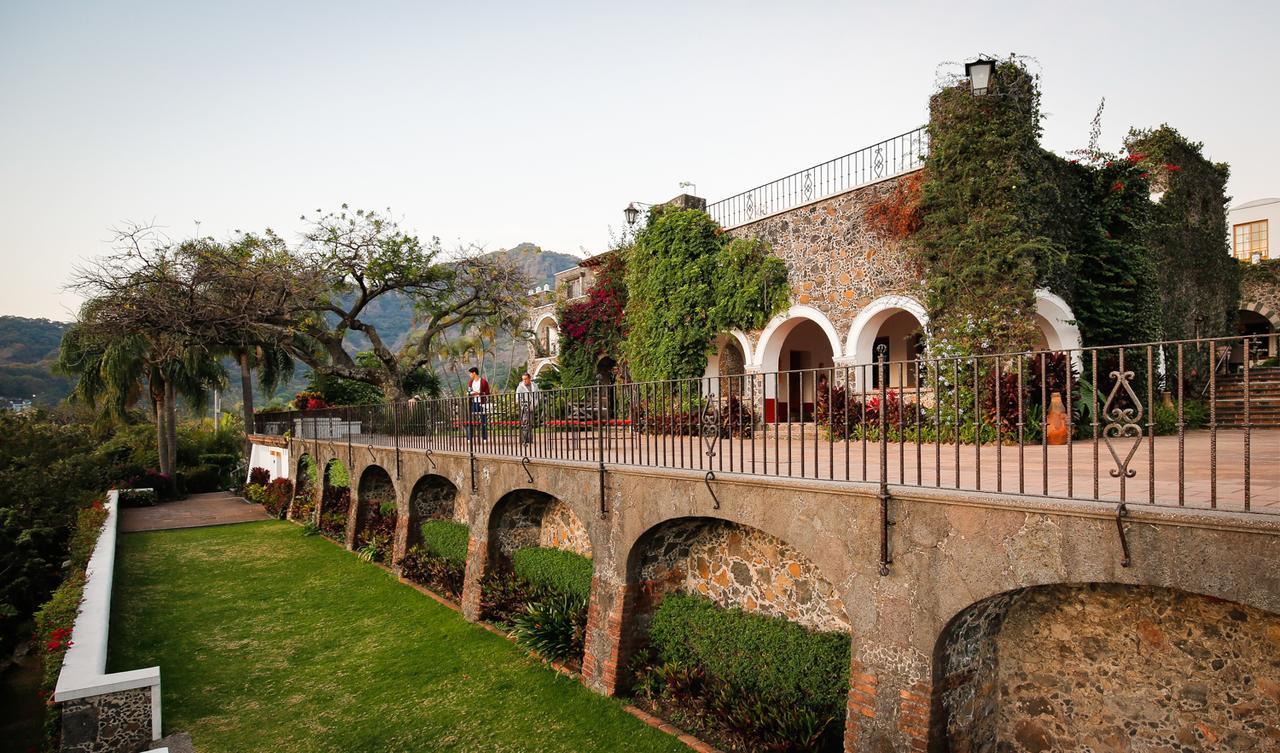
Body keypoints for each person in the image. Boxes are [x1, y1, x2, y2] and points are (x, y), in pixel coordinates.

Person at [466, 366, 490, 442]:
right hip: (473, 403)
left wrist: (479, 393)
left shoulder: (483, 382)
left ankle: (484, 438)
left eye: (470, 373)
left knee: (484, 421)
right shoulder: (470, 382)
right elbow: (469, 391)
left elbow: (487, 393)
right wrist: (469, 394)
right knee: (470, 420)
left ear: (474, 373)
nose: (470, 375)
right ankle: (470, 438)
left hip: (482, 403)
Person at [516, 372, 537, 445]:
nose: (524, 380)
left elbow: (537, 395)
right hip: (524, 407)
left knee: (530, 422)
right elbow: (517, 398)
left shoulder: (535, 386)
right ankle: (524, 439)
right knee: (525, 422)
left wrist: (535, 403)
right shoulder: (520, 387)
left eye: (525, 379)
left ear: (529, 378)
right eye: (523, 379)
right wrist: (522, 405)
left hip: (532, 406)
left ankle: (530, 439)